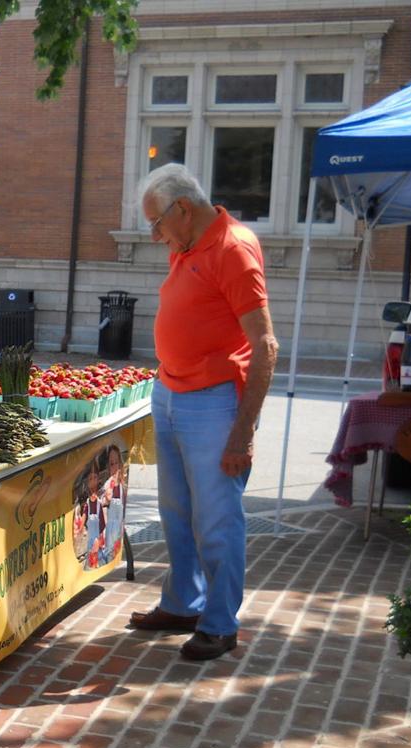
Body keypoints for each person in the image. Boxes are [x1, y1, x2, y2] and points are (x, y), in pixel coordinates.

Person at [127, 163, 278, 661]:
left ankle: (219, 621)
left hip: (213, 402)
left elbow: (265, 344)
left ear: (183, 210)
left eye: (157, 224)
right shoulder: (189, 244)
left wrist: (242, 433)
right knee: (176, 512)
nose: (155, 236)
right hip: (171, 393)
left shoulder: (232, 249)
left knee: (216, 519)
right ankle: (183, 602)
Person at [100, 446, 126, 566]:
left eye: (116, 463)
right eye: (111, 464)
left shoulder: (122, 482)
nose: (115, 467)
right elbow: (106, 499)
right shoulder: (108, 483)